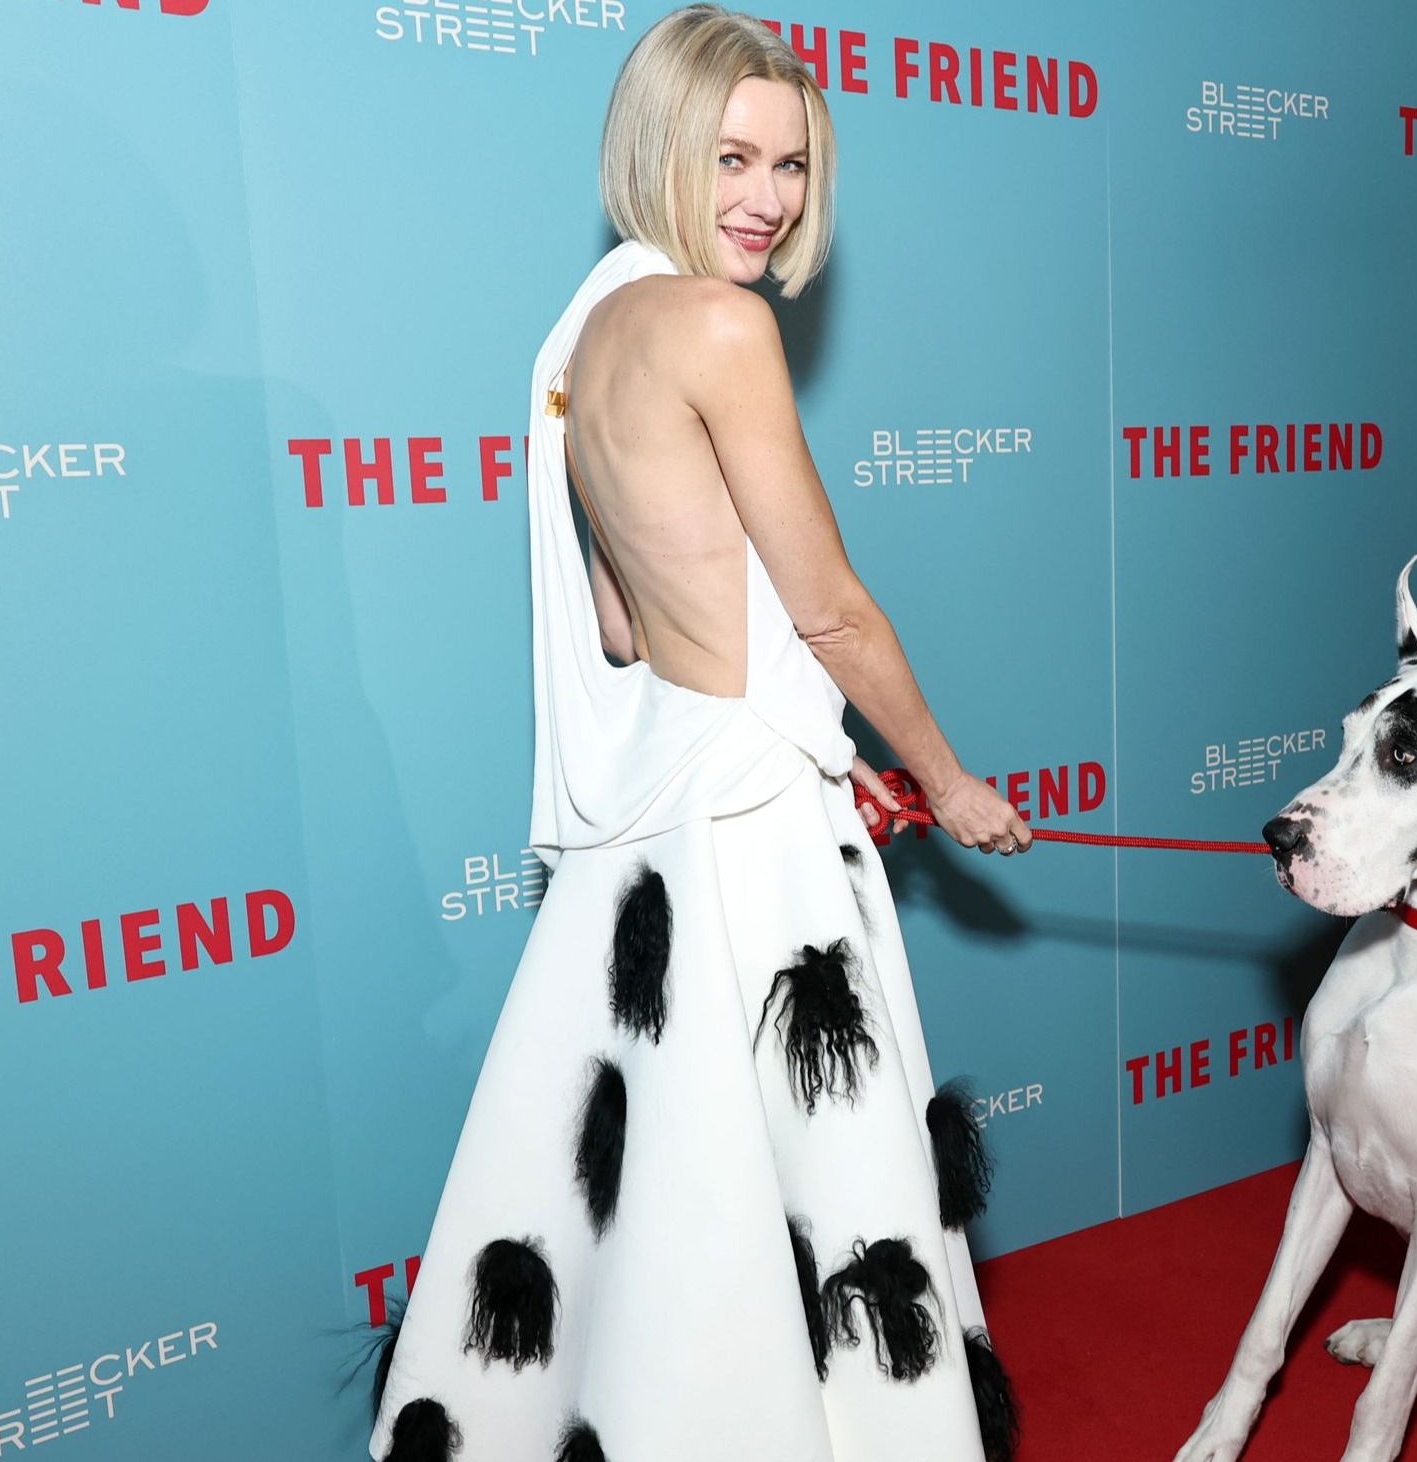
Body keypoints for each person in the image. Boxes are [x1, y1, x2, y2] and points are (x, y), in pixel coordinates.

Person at [369, 8, 1030, 1458]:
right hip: (754, 852)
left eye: (791, 166)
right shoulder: (722, 326)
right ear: (660, 149)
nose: (768, 197)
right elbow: (834, 611)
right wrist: (949, 778)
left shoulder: (581, 339)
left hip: (658, 828)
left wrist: (806, 734)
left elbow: (625, 626)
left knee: (656, 1206)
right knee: (819, 1204)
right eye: (732, 156)